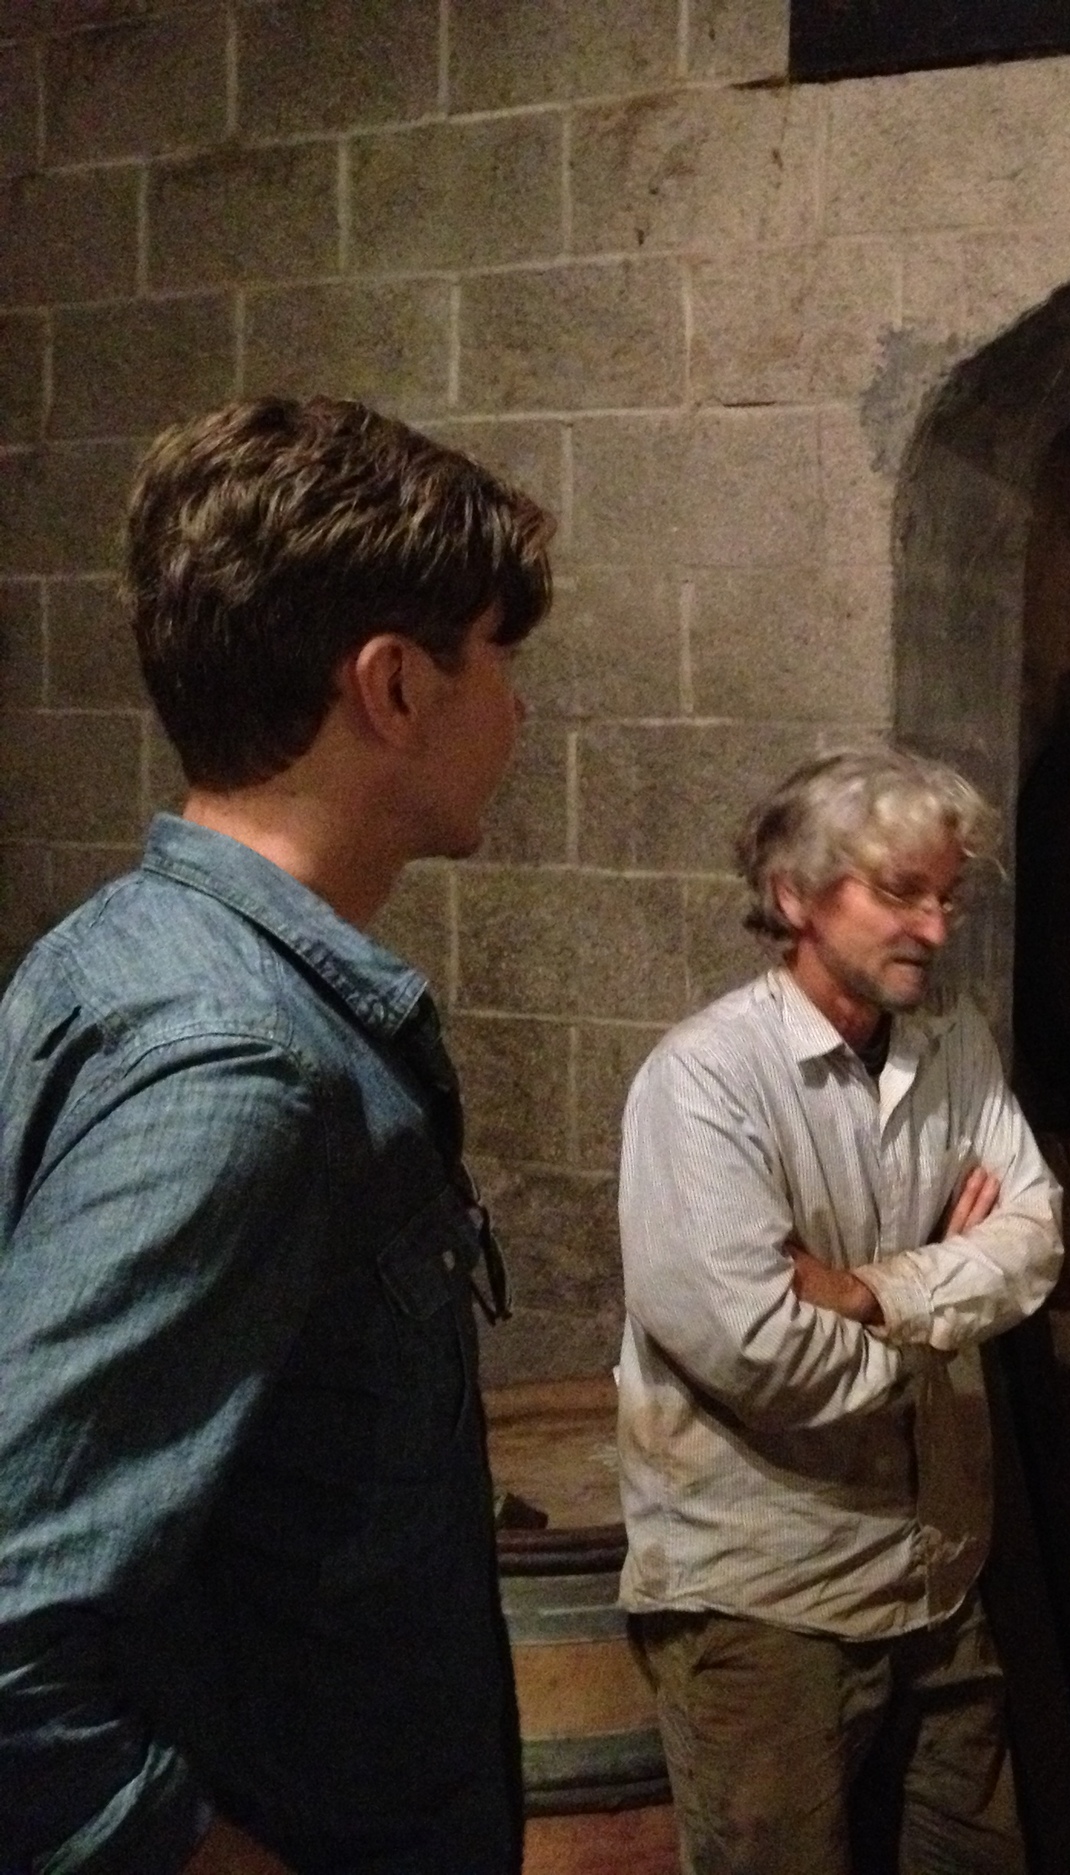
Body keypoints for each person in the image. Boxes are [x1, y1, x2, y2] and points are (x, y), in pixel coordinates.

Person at [0, 397, 551, 1874]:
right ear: (394, 687)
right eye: (498, 654)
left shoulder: (122, 952)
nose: (518, 707)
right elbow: (12, 1644)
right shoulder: (240, 1068)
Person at [616, 748, 1062, 1875]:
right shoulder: (705, 1082)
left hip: (936, 1572)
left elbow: (1036, 1232)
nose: (935, 927)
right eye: (900, 893)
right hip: (771, 1598)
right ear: (793, 898)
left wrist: (876, 1289)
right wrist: (954, 1295)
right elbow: (761, 1354)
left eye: (947, 895)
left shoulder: (952, 1043)